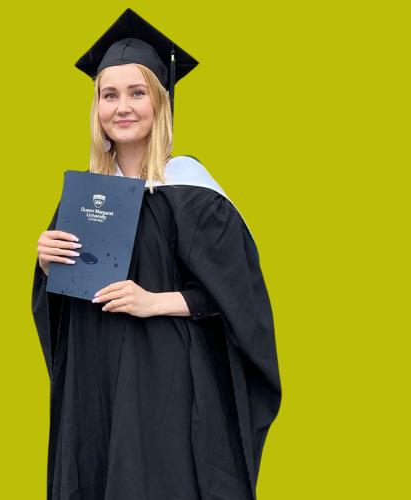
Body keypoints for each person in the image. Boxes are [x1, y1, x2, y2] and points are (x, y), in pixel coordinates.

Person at [30, 9, 282, 500]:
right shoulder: (84, 199)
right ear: (97, 107)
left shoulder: (191, 190)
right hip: (95, 385)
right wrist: (45, 265)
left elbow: (238, 299)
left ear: (160, 103)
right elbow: (63, 311)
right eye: (109, 95)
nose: (122, 107)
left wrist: (154, 301)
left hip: (167, 381)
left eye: (137, 92)